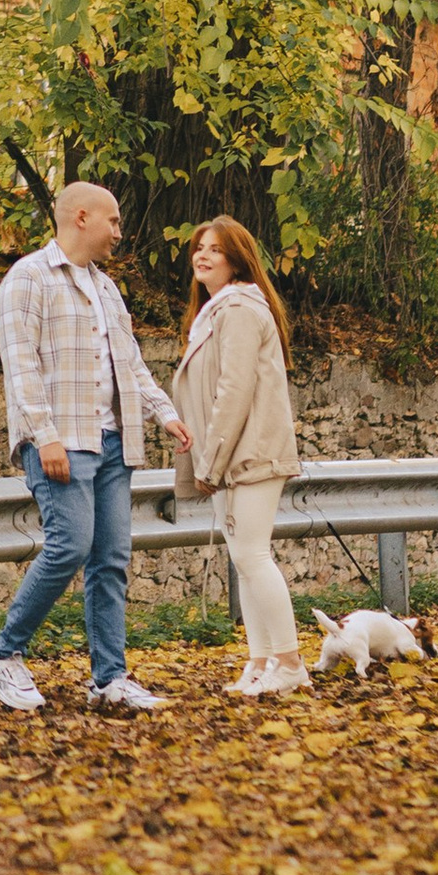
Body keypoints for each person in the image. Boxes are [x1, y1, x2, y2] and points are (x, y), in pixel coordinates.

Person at [0, 179, 189, 717]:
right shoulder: (27, 278)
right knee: (69, 546)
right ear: (81, 217)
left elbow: (130, 362)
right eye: (112, 221)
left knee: (110, 560)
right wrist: (43, 434)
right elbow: (20, 366)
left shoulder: (107, 288)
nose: (119, 231)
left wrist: (165, 412)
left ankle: (109, 679)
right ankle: (3, 656)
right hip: (62, 441)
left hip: (114, 442)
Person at [170, 215, 305, 699]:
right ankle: (261, 661)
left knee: (252, 555)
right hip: (232, 456)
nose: (203, 256)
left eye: (215, 249)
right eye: (199, 248)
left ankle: (289, 663)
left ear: (237, 261)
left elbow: (234, 391)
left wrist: (210, 462)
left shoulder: (241, 309)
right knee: (244, 559)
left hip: (251, 453)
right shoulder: (216, 312)